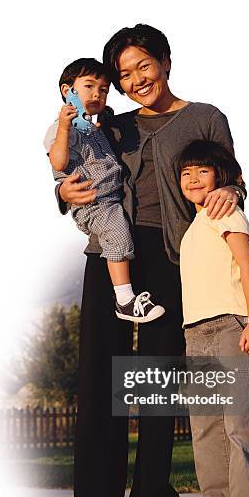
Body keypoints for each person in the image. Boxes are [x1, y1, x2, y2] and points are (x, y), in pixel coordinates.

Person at [55, 24, 247, 497]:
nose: (136, 79)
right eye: (124, 74)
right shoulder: (110, 126)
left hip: (171, 257)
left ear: (165, 61)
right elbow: (72, 172)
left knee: (157, 383)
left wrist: (231, 191)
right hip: (109, 256)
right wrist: (64, 194)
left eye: (144, 66)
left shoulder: (205, 118)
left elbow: (231, 179)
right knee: (101, 375)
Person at [179, 139, 249, 497]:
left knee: (238, 423)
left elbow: (247, 264)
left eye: (202, 171)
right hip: (195, 331)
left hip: (232, 326)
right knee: (206, 427)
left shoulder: (225, 210)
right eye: (185, 173)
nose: (193, 179)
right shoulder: (194, 226)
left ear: (220, 176)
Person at [44, 58, 165, 323]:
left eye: (103, 89)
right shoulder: (62, 129)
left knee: (123, 232)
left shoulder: (89, 127)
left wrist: (105, 117)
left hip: (110, 198)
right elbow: (58, 161)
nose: (97, 94)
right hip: (93, 202)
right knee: (118, 234)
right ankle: (125, 300)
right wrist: (64, 127)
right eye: (89, 86)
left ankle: (127, 294)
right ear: (68, 92)